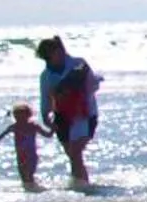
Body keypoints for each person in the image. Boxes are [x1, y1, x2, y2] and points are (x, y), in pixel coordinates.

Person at [34, 36, 102, 187]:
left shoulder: (78, 64)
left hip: (85, 114)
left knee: (75, 152)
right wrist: (46, 119)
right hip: (62, 117)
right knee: (72, 155)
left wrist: (73, 88)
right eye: (48, 56)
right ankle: (79, 185)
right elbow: (45, 100)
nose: (53, 58)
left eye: (55, 53)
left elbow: (93, 85)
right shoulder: (46, 75)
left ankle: (83, 187)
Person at [0, 103, 42, 190]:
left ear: (28, 115)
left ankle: (36, 194)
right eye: (16, 117)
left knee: (29, 177)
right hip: (20, 156)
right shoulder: (14, 127)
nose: (18, 119)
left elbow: (48, 135)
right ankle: (29, 197)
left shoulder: (33, 126)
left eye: (21, 117)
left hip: (31, 156)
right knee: (24, 180)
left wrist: (54, 127)